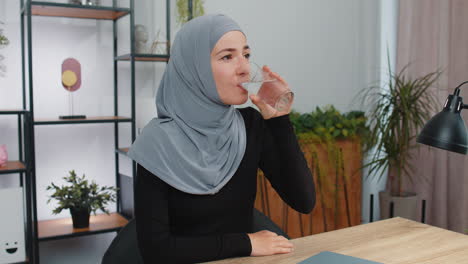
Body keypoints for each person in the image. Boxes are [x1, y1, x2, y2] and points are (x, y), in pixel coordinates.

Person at [128, 14, 315, 264]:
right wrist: (246, 243)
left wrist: (280, 121)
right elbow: (157, 252)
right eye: (227, 57)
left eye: (246, 55)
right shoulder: (158, 142)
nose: (245, 69)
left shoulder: (249, 125)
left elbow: (304, 201)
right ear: (194, 69)